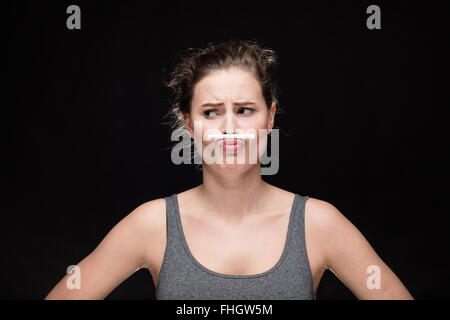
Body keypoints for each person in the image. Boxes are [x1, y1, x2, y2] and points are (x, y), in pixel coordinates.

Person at [45, 40, 414, 300]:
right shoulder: (152, 224)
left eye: (244, 109)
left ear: (269, 117)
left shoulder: (318, 223)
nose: (229, 128)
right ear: (188, 124)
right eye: (210, 112)